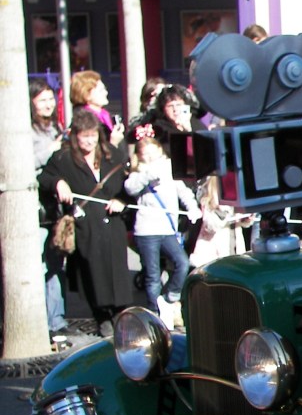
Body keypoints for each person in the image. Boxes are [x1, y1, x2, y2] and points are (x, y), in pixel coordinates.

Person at [38, 109, 134, 337]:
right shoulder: (63, 158)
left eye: (93, 135)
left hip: (112, 221)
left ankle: (119, 314)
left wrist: (121, 201)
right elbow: (44, 178)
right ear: (75, 136)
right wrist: (58, 183)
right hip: (85, 223)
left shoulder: (112, 154)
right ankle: (101, 316)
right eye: (84, 136)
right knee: (93, 271)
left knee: (117, 269)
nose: (90, 141)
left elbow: (129, 185)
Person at [124, 135, 201, 329]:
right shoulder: (139, 172)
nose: (150, 157)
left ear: (160, 150)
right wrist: (147, 175)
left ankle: (169, 298)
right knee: (152, 275)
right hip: (146, 230)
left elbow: (183, 192)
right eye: (145, 154)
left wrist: (192, 207)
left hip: (168, 229)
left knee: (182, 263)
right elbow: (130, 188)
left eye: (153, 152)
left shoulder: (169, 168)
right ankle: (154, 313)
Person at [30, 78, 72, 338]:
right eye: (42, 100)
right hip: (36, 207)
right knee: (41, 265)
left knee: (56, 264)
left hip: (55, 206)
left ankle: (56, 318)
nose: (48, 104)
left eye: (50, 99)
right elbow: (25, 162)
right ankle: (42, 321)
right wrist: (50, 149)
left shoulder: (55, 126)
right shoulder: (27, 131)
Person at [190, 176, 254, 266]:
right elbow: (211, 227)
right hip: (213, 255)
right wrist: (223, 212)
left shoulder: (233, 201)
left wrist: (246, 219)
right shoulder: (208, 202)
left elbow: (242, 222)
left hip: (234, 247)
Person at [70, 70, 125, 147]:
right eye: (101, 90)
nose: (106, 93)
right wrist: (113, 143)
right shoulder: (83, 119)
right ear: (86, 95)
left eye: (105, 89)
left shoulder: (104, 115)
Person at [151, 84, 208, 157]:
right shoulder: (160, 130)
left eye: (178, 105)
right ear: (163, 109)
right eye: (170, 106)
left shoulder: (196, 123)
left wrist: (188, 129)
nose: (175, 109)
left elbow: (205, 148)